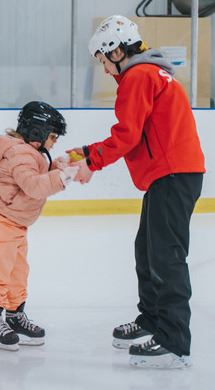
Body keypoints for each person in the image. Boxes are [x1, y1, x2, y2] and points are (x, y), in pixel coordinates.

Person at [69, 15, 205, 368]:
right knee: (147, 250)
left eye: (102, 59)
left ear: (115, 50)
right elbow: (134, 134)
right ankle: (152, 319)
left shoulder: (138, 77)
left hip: (172, 175)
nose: (103, 68)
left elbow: (127, 136)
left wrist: (91, 164)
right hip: (171, 175)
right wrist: (84, 153)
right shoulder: (151, 74)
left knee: (166, 258)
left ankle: (174, 341)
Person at [0, 101, 79, 351]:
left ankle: (14, 314)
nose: (54, 142)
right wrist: (62, 177)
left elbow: (36, 175)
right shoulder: (20, 154)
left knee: (18, 272)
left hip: (14, 221)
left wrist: (56, 167)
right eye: (52, 137)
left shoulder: (28, 153)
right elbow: (33, 185)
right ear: (37, 133)